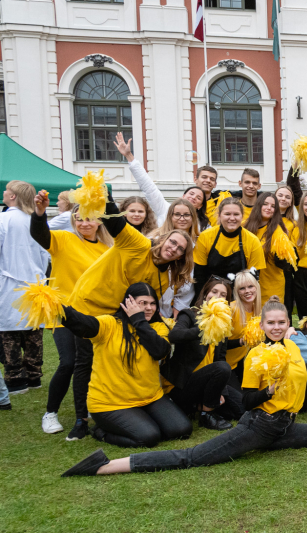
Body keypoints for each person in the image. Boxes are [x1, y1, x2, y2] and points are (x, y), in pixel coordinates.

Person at [62, 298, 307, 478]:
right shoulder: (257, 355)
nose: (276, 327)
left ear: (289, 324)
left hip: (284, 425)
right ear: (263, 325)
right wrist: (268, 392)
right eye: (271, 323)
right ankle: (104, 466)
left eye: (281, 322)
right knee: (192, 457)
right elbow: (250, 400)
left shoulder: (295, 347)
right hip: (258, 426)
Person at [61, 283, 191, 447]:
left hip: (150, 398)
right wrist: (58, 308)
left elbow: (159, 351)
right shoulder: (109, 324)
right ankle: (100, 432)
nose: (149, 308)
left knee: (181, 430)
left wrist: (139, 321)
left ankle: (140, 420)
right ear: (128, 304)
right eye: (143, 303)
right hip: (110, 404)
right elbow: (82, 323)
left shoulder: (158, 327)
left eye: (152, 303)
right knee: (149, 437)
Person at [30, 195, 112, 437]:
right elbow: (40, 235)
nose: (84, 223)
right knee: (68, 361)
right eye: (79, 219)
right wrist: (39, 213)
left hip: (94, 315)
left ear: (99, 221)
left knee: (92, 364)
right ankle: (50, 413)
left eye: (89, 219)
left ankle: (89, 408)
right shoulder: (64, 239)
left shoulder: (108, 249)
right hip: (63, 312)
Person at [160, 278, 241, 431]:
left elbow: (220, 357)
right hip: (181, 384)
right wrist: (203, 328)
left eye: (223, 295)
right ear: (205, 294)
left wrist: (220, 391)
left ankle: (196, 406)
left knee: (240, 410)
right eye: (214, 291)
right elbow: (174, 336)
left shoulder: (223, 323)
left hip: (207, 381)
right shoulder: (189, 314)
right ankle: (206, 415)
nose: (217, 296)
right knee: (222, 368)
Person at [0, 181, 49, 399]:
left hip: (8, 282)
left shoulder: (3, 220)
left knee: (9, 332)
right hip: (35, 283)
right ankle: (34, 375)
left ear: (13, 196)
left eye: (6, 191)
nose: (3, 193)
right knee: (33, 331)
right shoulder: (35, 221)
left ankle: (15, 379)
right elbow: (45, 254)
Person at [192, 197, 266, 297]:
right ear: (219, 215)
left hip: (239, 296)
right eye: (227, 214)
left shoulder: (253, 241)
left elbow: (253, 279)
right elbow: (199, 274)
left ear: (242, 216)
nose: (232, 218)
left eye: (236, 214)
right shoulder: (205, 237)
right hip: (210, 295)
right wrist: (202, 300)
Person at [244, 192, 294, 304]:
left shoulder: (278, 232)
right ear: (258, 205)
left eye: (273, 206)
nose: (269, 208)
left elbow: (286, 265)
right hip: (247, 287)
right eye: (265, 204)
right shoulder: (245, 226)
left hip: (271, 287)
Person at [226, 271, 261, 385]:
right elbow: (218, 344)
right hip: (224, 365)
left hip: (240, 363)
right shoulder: (231, 310)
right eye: (242, 288)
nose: (247, 291)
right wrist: (241, 341)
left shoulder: (258, 310)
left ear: (256, 287)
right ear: (236, 291)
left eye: (250, 286)